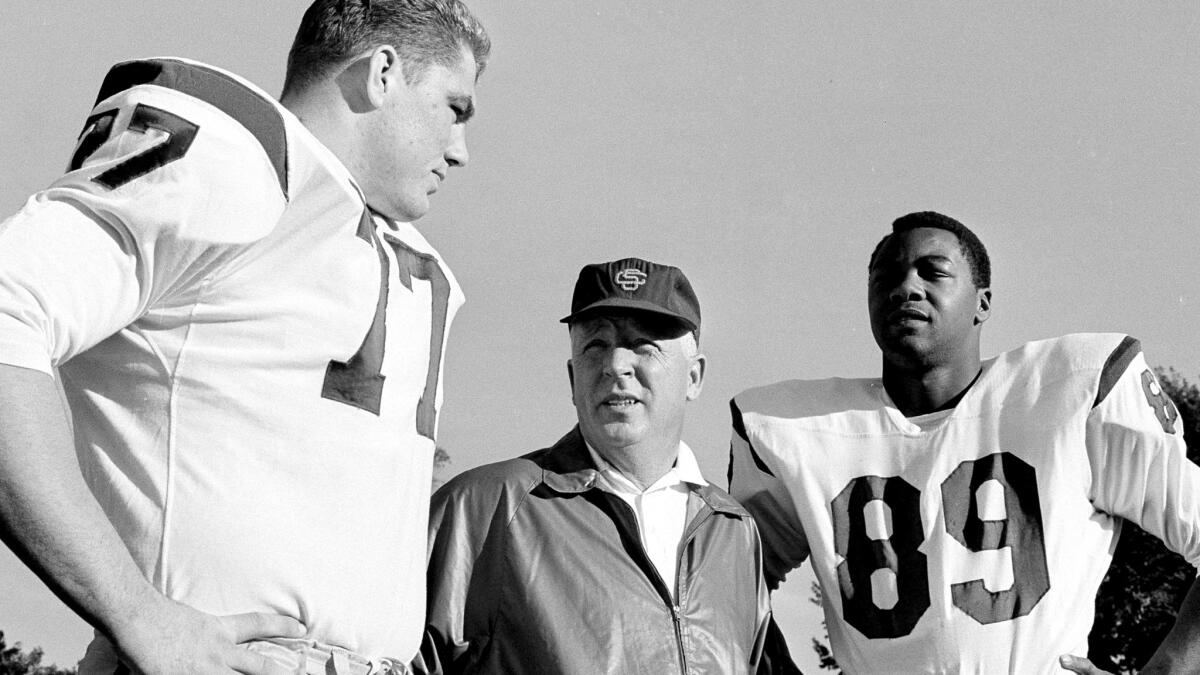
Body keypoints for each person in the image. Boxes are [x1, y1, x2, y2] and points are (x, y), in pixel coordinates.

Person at [0, 2, 490, 674]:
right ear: (381, 74)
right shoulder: (238, 158)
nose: (461, 150)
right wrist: (135, 610)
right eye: (454, 108)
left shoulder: (369, 237)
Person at [728, 211, 1200, 674]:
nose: (907, 287)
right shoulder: (793, 427)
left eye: (933, 272)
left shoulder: (1072, 386)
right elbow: (723, 587)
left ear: (983, 302)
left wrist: (1172, 667)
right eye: (886, 276)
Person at [421, 258, 773, 674]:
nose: (616, 365)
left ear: (694, 377)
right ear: (573, 379)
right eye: (595, 346)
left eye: (644, 345)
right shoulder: (485, 508)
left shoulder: (733, 530)